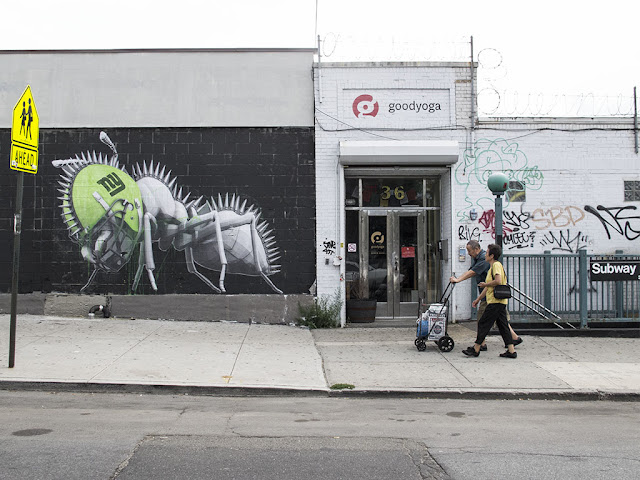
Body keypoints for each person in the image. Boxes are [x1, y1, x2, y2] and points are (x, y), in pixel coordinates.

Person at [450, 240, 521, 351]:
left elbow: (475, 273)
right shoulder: (484, 262)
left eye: (469, 250)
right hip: (491, 297)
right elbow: (485, 283)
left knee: (483, 322)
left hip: (492, 298)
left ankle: (479, 346)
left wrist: (458, 279)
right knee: (501, 322)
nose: (468, 253)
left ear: (476, 249)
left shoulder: (487, 261)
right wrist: (478, 298)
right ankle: (513, 343)